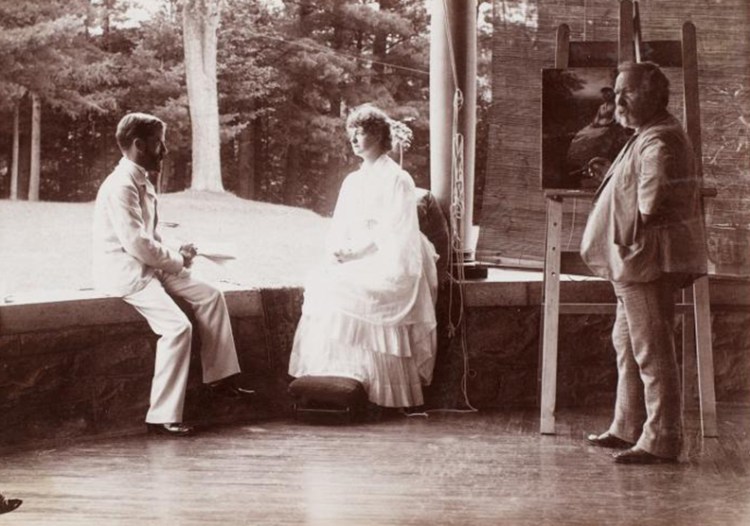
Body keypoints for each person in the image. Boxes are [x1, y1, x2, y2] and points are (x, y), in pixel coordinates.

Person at [92, 112, 253, 438]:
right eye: (158, 143)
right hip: (128, 273)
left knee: (210, 294)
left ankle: (220, 379)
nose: (164, 150)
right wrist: (178, 261)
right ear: (139, 145)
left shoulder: (139, 179)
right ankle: (161, 417)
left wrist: (182, 248)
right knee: (177, 328)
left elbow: (150, 234)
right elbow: (137, 244)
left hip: (149, 265)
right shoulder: (120, 186)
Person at [580, 62, 708, 464]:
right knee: (628, 344)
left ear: (655, 95)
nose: (618, 100)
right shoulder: (649, 134)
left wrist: (635, 216)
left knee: (652, 350)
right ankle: (626, 426)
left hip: (644, 260)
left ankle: (662, 439)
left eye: (628, 92)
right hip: (634, 261)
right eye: (616, 92)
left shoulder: (659, 139)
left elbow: (652, 200)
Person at [288, 104, 438, 409]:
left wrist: (357, 253)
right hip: (357, 254)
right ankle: (334, 378)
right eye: (351, 131)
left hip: (392, 257)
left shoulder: (398, 179)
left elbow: (395, 232)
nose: (354, 137)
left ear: (381, 136)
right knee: (322, 280)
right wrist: (339, 251)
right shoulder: (352, 181)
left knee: (350, 286)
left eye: (363, 131)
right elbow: (340, 226)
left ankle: (376, 388)